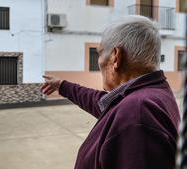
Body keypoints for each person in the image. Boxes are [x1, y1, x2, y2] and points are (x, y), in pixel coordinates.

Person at [41, 15, 181, 169]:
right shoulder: (151, 95)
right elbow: (104, 104)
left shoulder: (137, 112)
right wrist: (62, 85)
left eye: (100, 53)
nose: (99, 60)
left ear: (115, 57)